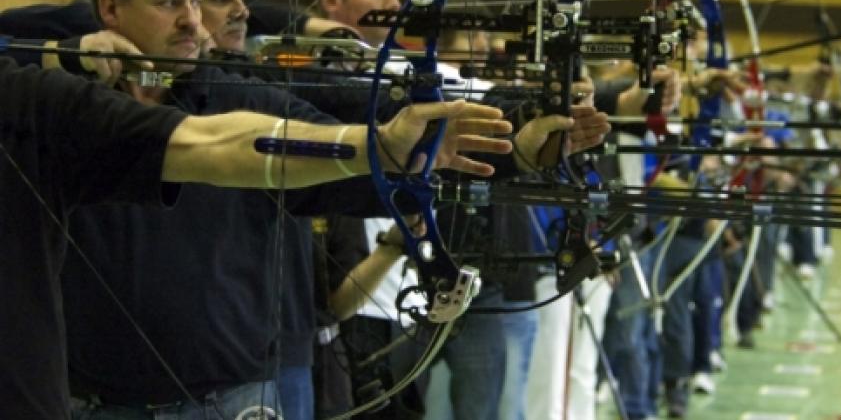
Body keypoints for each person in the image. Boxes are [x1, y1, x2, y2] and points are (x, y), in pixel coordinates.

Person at [0, 53, 514, 420]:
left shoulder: (24, 100)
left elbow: (218, 140)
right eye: (171, 1)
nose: (193, 20)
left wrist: (375, 147)